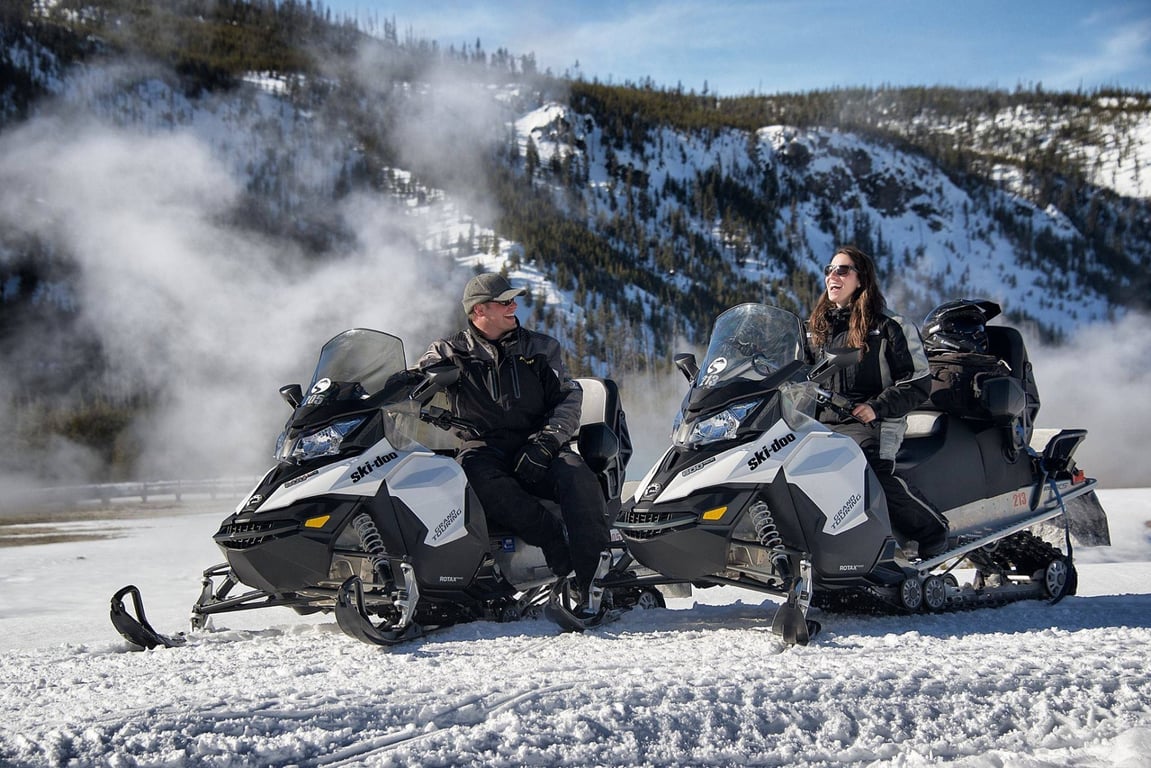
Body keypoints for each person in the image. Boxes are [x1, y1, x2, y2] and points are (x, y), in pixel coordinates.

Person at [418, 272, 611, 612]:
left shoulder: (540, 347)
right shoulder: (449, 351)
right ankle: (555, 544)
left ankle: (594, 583)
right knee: (475, 478)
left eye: (513, 300)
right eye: (505, 302)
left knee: (578, 478)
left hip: (540, 443)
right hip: (482, 447)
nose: (514, 306)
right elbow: (411, 384)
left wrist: (546, 444)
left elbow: (568, 398)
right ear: (479, 310)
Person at [806, 245, 950, 558]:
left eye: (842, 270)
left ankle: (931, 531)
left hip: (872, 424)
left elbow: (917, 381)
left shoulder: (889, 326)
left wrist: (876, 407)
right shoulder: (816, 330)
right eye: (829, 270)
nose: (833, 275)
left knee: (867, 474)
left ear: (862, 279)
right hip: (820, 424)